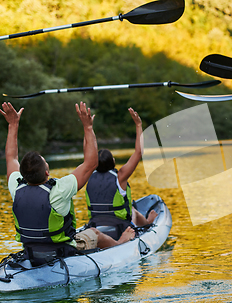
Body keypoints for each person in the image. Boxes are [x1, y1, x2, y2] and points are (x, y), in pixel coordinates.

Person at [1, 102, 136, 266]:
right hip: (62, 252)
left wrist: (13, 124)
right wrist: (87, 127)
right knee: (94, 232)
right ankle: (120, 244)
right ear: (46, 172)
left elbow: (11, 158)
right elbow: (91, 163)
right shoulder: (59, 190)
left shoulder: (16, 187)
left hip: (31, 252)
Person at [85, 107, 157, 240]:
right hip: (120, 228)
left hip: (95, 225)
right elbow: (138, 152)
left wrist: (87, 128)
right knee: (132, 210)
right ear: (112, 161)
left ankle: (146, 222)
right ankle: (147, 224)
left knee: (132, 210)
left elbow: (87, 151)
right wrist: (138, 124)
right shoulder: (120, 176)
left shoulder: (88, 173)